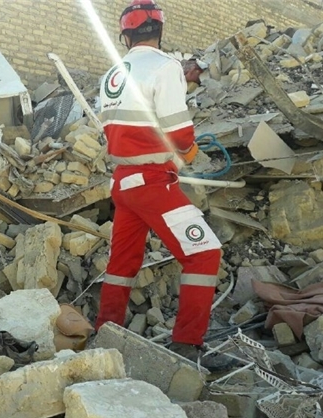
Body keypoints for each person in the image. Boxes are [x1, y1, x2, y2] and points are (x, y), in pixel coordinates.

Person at [95, 0, 235, 371]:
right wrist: (187, 152)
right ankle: (187, 345)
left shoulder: (111, 74)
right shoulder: (165, 66)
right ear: (159, 32)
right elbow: (177, 130)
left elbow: (113, 128)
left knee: (121, 263)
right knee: (205, 253)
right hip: (153, 182)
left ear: (125, 36)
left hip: (123, 182)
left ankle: (105, 333)